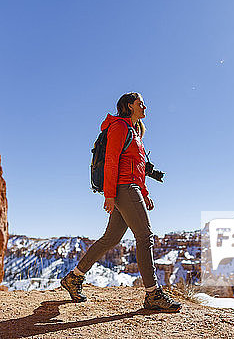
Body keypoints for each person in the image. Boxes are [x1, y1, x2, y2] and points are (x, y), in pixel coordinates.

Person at [60, 92, 182, 312]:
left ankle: (74, 278)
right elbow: (111, 162)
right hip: (124, 188)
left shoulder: (135, 132)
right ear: (129, 106)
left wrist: (144, 194)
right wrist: (109, 194)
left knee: (110, 239)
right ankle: (153, 294)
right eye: (140, 103)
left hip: (131, 187)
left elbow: (139, 168)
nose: (145, 107)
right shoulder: (119, 127)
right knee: (145, 237)